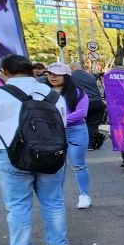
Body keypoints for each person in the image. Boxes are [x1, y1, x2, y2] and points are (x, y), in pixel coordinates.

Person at [0, 54, 70, 245]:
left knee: (18, 205)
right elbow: (63, 124)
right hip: (51, 154)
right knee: (53, 201)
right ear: (32, 71)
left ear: (4, 72)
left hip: (10, 154)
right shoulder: (52, 95)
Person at [44, 63, 92, 209]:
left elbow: (81, 113)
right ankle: (57, 196)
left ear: (66, 76)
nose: (52, 76)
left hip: (76, 131)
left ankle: (84, 194)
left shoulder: (78, 92)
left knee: (78, 164)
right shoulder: (42, 92)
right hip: (52, 133)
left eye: (57, 74)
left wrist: (59, 119)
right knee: (57, 166)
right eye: (50, 73)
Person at [67, 61, 106, 149]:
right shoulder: (91, 76)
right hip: (98, 103)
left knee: (80, 123)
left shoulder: (70, 76)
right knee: (93, 125)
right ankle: (91, 144)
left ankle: (81, 143)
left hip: (84, 103)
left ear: (71, 68)